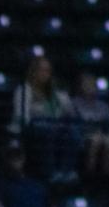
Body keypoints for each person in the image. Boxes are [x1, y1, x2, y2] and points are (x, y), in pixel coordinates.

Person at [9, 53, 77, 181]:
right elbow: (21, 115)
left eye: (48, 70)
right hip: (31, 128)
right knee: (48, 132)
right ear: (34, 72)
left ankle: (66, 171)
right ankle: (50, 172)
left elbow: (66, 112)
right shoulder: (24, 90)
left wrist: (64, 99)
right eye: (43, 70)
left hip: (53, 126)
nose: (46, 73)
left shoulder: (54, 93)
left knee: (72, 133)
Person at [71, 72, 109, 183]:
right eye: (86, 84)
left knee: (108, 141)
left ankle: (106, 176)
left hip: (101, 134)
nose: (90, 87)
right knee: (96, 140)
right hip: (81, 135)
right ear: (80, 86)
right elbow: (73, 124)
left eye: (92, 84)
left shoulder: (103, 105)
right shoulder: (73, 103)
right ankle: (89, 176)